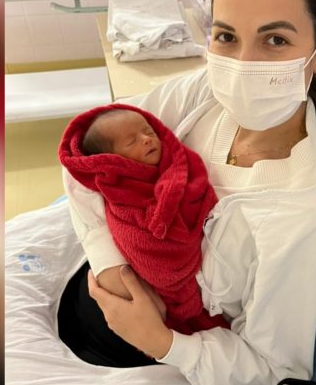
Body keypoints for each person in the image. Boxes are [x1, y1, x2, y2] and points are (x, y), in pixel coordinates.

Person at [6, 0, 316, 385]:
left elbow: (272, 371)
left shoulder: (306, 214)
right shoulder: (204, 94)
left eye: (275, 41)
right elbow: (86, 153)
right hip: (84, 283)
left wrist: (159, 340)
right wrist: (108, 264)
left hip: (148, 359)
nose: (242, 65)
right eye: (226, 36)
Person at [57, 104, 229, 368]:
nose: (147, 140)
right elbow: (132, 228)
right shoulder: (117, 187)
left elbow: (194, 186)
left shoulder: (176, 161)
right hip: (126, 303)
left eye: (148, 132)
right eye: (131, 142)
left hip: (151, 313)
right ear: (112, 159)